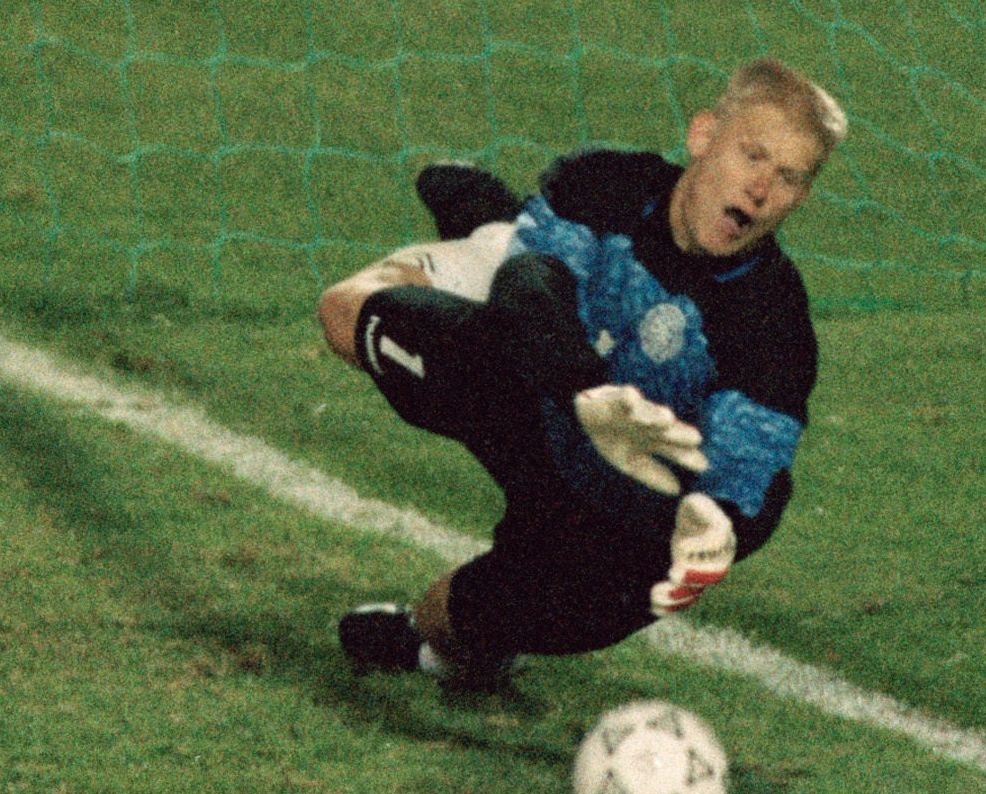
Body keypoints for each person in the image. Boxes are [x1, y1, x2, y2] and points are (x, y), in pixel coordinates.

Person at [317, 61, 844, 687]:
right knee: (349, 311)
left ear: (801, 197)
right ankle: (493, 229)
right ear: (703, 136)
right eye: (752, 155)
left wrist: (719, 523)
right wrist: (583, 391)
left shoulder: (774, 321)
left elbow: (752, 459)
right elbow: (530, 285)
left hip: (602, 499)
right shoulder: (606, 184)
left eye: (787, 176)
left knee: (485, 620)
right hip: (528, 387)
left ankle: (430, 646)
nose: (760, 188)